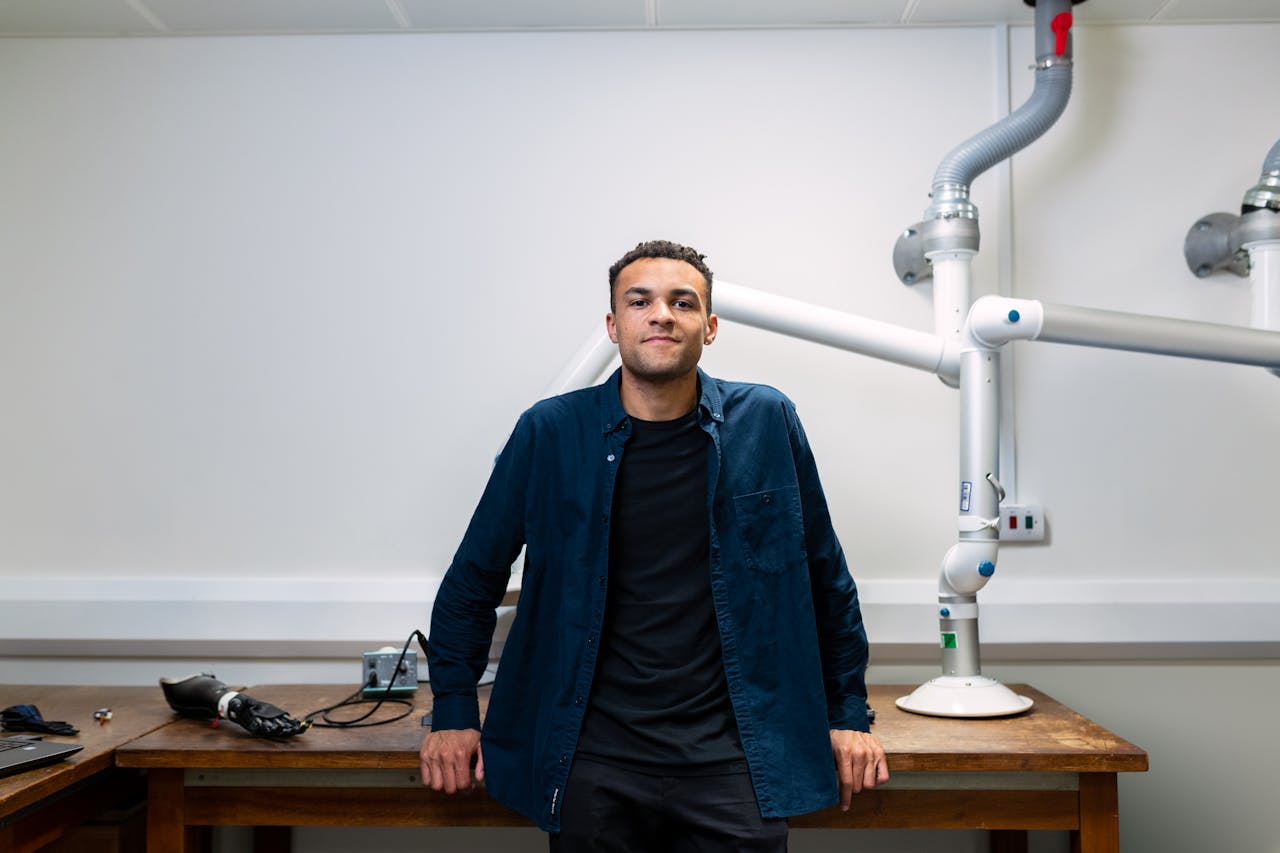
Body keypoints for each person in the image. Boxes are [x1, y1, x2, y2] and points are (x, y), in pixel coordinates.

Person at [421, 239, 888, 850]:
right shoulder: (551, 430)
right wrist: (454, 711)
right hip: (590, 755)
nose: (661, 314)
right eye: (640, 301)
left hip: (736, 756)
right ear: (614, 326)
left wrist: (847, 714)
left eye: (682, 302)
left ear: (710, 327)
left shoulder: (766, 420)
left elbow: (826, 578)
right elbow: (473, 580)